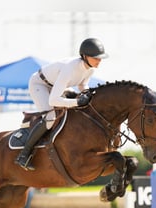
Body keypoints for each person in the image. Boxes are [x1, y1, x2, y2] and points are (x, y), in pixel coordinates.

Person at [15, 37, 109, 170]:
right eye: (96, 57)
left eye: (100, 57)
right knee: (51, 117)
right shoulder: (69, 69)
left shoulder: (91, 68)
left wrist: (89, 95)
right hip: (40, 84)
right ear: (85, 56)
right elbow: (53, 100)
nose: (99, 60)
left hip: (57, 85)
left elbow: (83, 84)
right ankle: (24, 155)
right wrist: (77, 102)